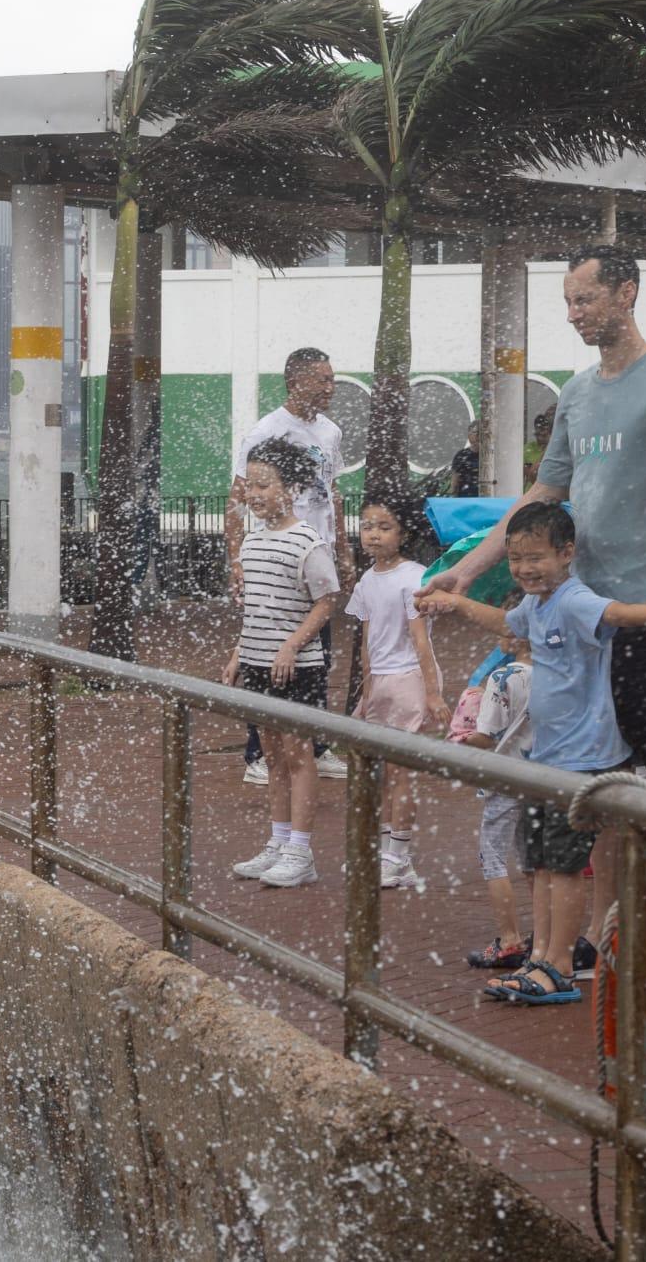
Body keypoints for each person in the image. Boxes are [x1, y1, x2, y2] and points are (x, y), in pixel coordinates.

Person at [421, 246, 646, 893]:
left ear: (626, 293)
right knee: (603, 787)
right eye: (568, 302)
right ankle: (607, 939)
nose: (573, 314)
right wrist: (467, 571)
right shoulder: (580, 393)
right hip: (586, 626)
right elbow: (540, 497)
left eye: (584, 299)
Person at [420, 503, 646, 1006]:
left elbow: (617, 613)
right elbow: (506, 621)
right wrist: (454, 604)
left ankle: (560, 967)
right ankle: (541, 957)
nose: (524, 568)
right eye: (517, 558)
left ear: (567, 554)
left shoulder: (572, 600)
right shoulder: (538, 605)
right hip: (546, 758)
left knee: (564, 867)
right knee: (541, 864)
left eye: (536, 558)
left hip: (582, 759)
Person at [227, 348, 351, 784]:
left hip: (314, 552)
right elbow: (238, 497)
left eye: (332, 379)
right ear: (294, 382)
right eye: (323, 380)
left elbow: (332, 492)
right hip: (273, 553)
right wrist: (236, 559)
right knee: (266, 652)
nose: (330, 387)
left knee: (316, 655)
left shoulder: (330, 432)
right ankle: (258, 751)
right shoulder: (266, 431)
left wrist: (343, 548)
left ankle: (316, 745)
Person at [224, 439, 340, 889]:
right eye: (249, 486)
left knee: (299, 755)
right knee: (271, 757)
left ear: (290, 489)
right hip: (256, 664)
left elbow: (327, 600)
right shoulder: (252, 542)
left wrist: (292, 645)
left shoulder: (307, 542)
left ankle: (301, 849)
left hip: (297, 668)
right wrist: (238, 653)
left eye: (263, 485)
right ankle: (277, 840)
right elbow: (255, 608)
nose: (253, 494)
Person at [345, 494, 448, 890]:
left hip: (409, 679)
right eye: (368, 526)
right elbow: (367, 642)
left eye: (384, 527)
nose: (373, 535)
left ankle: (399, 856)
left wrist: (432, 693)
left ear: (403, 533)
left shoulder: (415, 578)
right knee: (386, 774)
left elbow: (420, 640)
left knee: (402, 773)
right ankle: (391, 855)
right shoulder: (367, 580)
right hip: (383, 683)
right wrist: (366, 692)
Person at [456, 636, 533, 970]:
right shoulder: (558, 672)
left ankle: (510, 938)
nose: (500, 638)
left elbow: (485, 736)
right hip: (544, 776)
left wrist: (462, 734)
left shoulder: (504, 678)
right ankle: (545, 940)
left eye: (506, 628)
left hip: (505, 776)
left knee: (494, 859)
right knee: (536, 861)